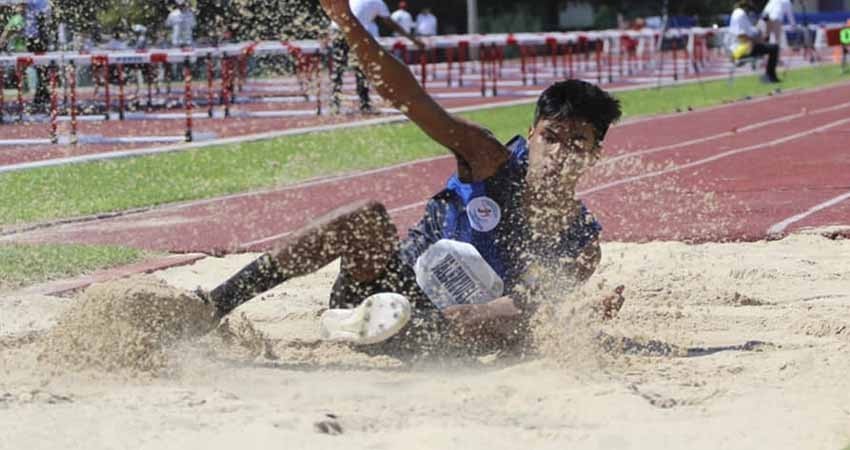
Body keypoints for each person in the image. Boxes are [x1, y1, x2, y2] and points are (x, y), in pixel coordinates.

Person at [199, 0, 625, 351]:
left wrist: (572, 315)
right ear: (531, 135)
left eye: (576, 143)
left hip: (448, 333)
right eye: (550, 137)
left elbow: (534, 304)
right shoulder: (489, 160)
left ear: (594, 155)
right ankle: (211, 306)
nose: (558, 154)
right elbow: (410, 98)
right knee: (365, 217)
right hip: (384, 294)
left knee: (511, 325)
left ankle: (394, 329)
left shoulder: (581, 243)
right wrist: (350, 25)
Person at [329, 0, 425, 114]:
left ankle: (335, 104)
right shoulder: (378, 2)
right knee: (361, 68)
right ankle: (364, 104)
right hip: (352, 30)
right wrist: (412, 39)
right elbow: (391, 23)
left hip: (337, 29)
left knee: (338, 69)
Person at [728, 1, 781, 83]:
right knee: (774, 48)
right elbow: (741, 35)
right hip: (743, 48)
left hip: (745, 45)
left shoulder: (741, 13)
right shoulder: (740, 14)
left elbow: (749, 31)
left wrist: (759, 35)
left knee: (771, 46)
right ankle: (770, 77)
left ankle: (769, 76)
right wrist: (757, 41)